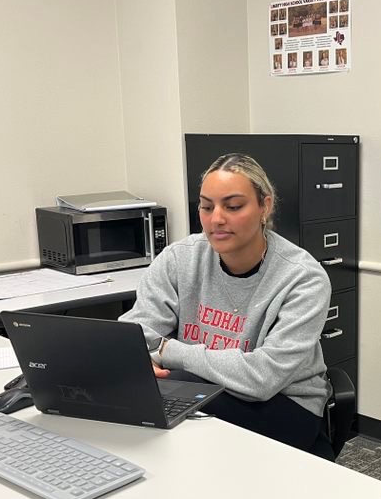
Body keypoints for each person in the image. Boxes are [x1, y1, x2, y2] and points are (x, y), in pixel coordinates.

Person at [120, 154, 335, 460]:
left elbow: (262, 379)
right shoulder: (179, 258)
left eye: (233, 207)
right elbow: (135, 335)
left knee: (172, 402)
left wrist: (169, 352)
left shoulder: (303, 277)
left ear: (265, 206)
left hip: (285, 404)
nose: (216, 219)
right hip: (202, 387)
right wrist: (142, 352)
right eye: (207, 207)